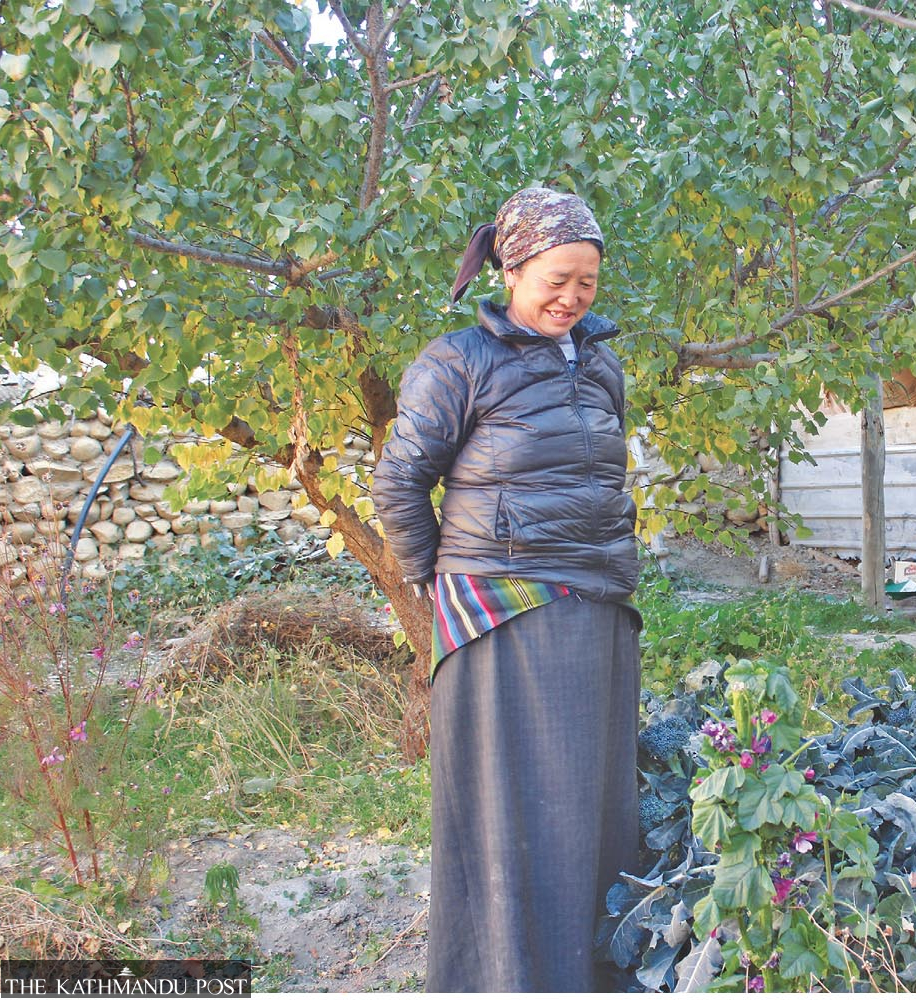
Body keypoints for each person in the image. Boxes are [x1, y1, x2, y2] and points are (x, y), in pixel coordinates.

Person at [372, 187, 641, 992]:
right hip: (502, 612)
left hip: (596, 605)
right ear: (512, 269)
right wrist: (437, 581)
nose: (572, 297)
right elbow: (399, 482)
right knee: (510, 809)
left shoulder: (601, 364)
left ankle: (585, 974)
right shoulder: (459, 362)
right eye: (557, 279)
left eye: (587, 282)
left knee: (590, 804)